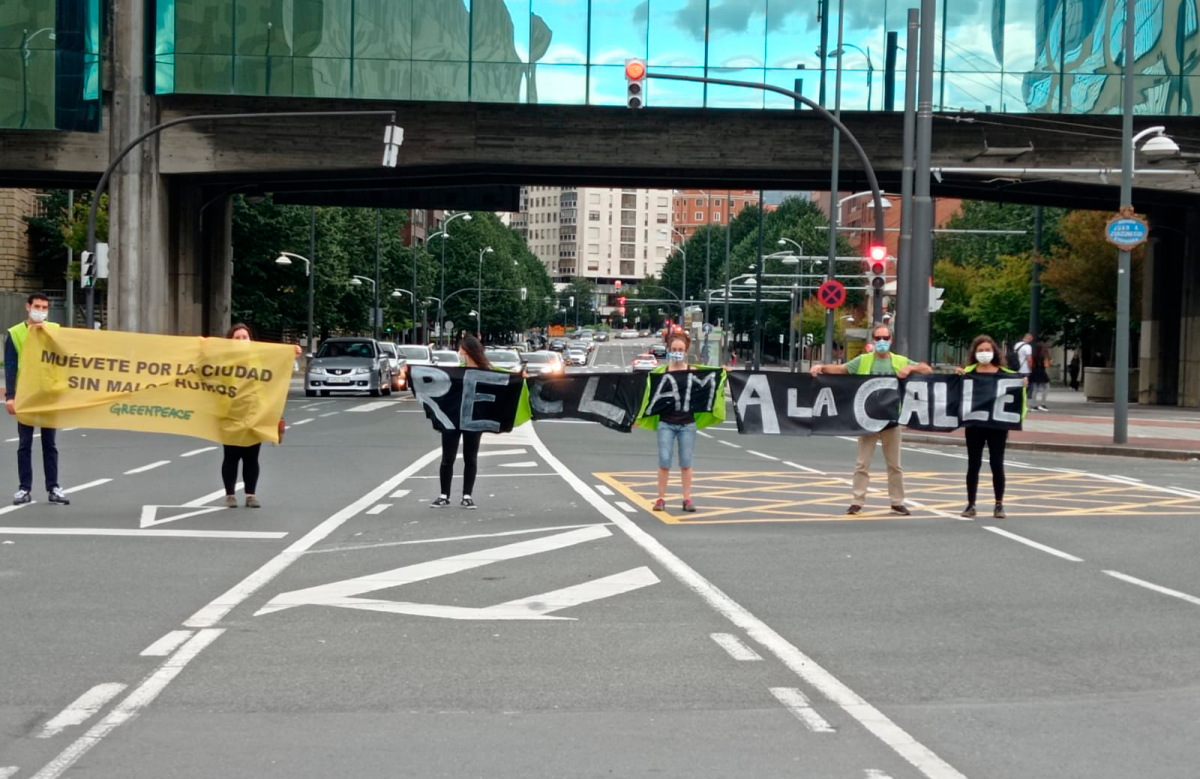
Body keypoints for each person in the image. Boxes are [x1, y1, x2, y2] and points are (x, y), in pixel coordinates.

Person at [810, 323, 932, 516]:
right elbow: (841, 370)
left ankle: (897, 502)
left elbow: (926, 369)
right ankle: (857, 501)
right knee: (862, 463)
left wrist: (909, 368)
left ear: (891, 340)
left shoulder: (900, 360)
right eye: (878, 339)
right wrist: (822, 367)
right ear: (872, 341)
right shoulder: (864, 360)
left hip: (891, 419)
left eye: (885, 338)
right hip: (866, 418)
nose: (882, 342)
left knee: (895, 465)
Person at [637, 331, 726, 513]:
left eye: (680, 349)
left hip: (687, 425)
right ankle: (660, 499)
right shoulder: (659, 373)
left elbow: (714, 381)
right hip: (666, 424)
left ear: (686, 352)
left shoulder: (694, 372)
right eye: (674, 349)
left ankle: (687, 499)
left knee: (686, 462)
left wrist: (724, 373)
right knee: (664, 461)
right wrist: (637, 418)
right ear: (669, 350)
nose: (677, 351)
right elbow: (647, 396)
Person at [221, 323, 297, 508]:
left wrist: (292, 351)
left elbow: (278, 364)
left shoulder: (260, 358)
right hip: (231, 414)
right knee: (231, 457)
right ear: (229, 341)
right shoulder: (223, 359)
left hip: (255, 414)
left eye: (244, 337)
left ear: (250, 340)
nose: (241, 341)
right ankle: (230, 495)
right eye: (237, 338)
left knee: (251, 457)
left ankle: (250, 495)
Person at [5, 293, 69, 506]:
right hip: (26, 395)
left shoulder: (54, 330)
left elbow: (65, 355)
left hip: (49, 394)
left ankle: (53, 487)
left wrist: (49, 334)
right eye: (37, 306)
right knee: (24, 444)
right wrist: (10, 397)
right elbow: (11, 366)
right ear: (28, 307)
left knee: (49, 443)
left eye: (44, 307)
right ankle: (24, 489)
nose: (41, 311)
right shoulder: (15, 333)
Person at [955, 335, 1025, 519]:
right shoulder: (967, 373)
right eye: (980, 350)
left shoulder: (1005, 374)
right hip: (975, 425)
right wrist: (956, 377)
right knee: (974, 464)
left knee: (997, 463)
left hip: (998, 425)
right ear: (974, 353)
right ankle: (971, 504)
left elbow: (1019, 401)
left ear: (994, 352)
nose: (984, 353)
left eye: (987, 350)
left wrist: (1021, 385)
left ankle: (999, 504)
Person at [432, 335, 489, 509]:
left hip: (474, 419)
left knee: (470, 458)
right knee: (447, 458)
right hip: (452, 419)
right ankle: (444, 495)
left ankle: (467, 495)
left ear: (467, 350)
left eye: (460, 348)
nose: (459, 351)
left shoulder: (487, 372)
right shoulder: (457, 372)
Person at [1029, 342, 1051, 411]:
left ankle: (1033, 405)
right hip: (1041, 372)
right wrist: (1050, 362)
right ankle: (1043, 404)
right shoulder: (1044, 355)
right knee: (1047, 387)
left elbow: (1031, 363)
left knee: (1035, 388)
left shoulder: (1033, 355)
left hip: (1034, 371)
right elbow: (1046, 365)